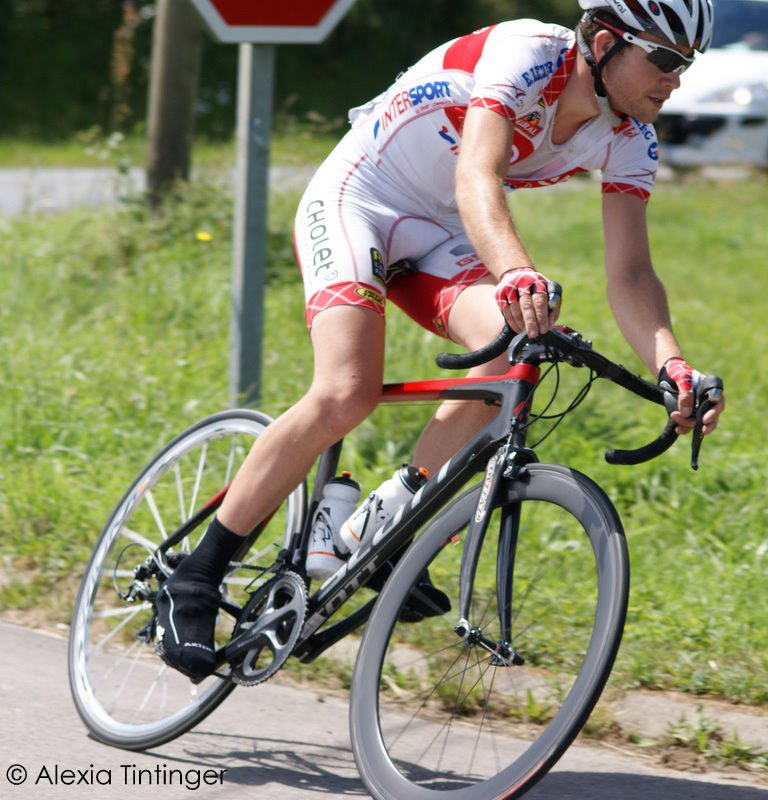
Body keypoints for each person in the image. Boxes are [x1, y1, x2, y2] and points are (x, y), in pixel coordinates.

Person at [155, 0, 726, 679]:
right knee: (346, 390)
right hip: (359, 199)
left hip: (436, 235)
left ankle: (378, 530)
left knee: (518, 352)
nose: (677, 79)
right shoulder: (527, 54)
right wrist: (515, 270)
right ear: (603, 41)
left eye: (687, 64)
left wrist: (674, 364)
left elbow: (631, 272)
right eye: (665, 59)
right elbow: (475, 172)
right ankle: (194, 578)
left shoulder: (632, 136)